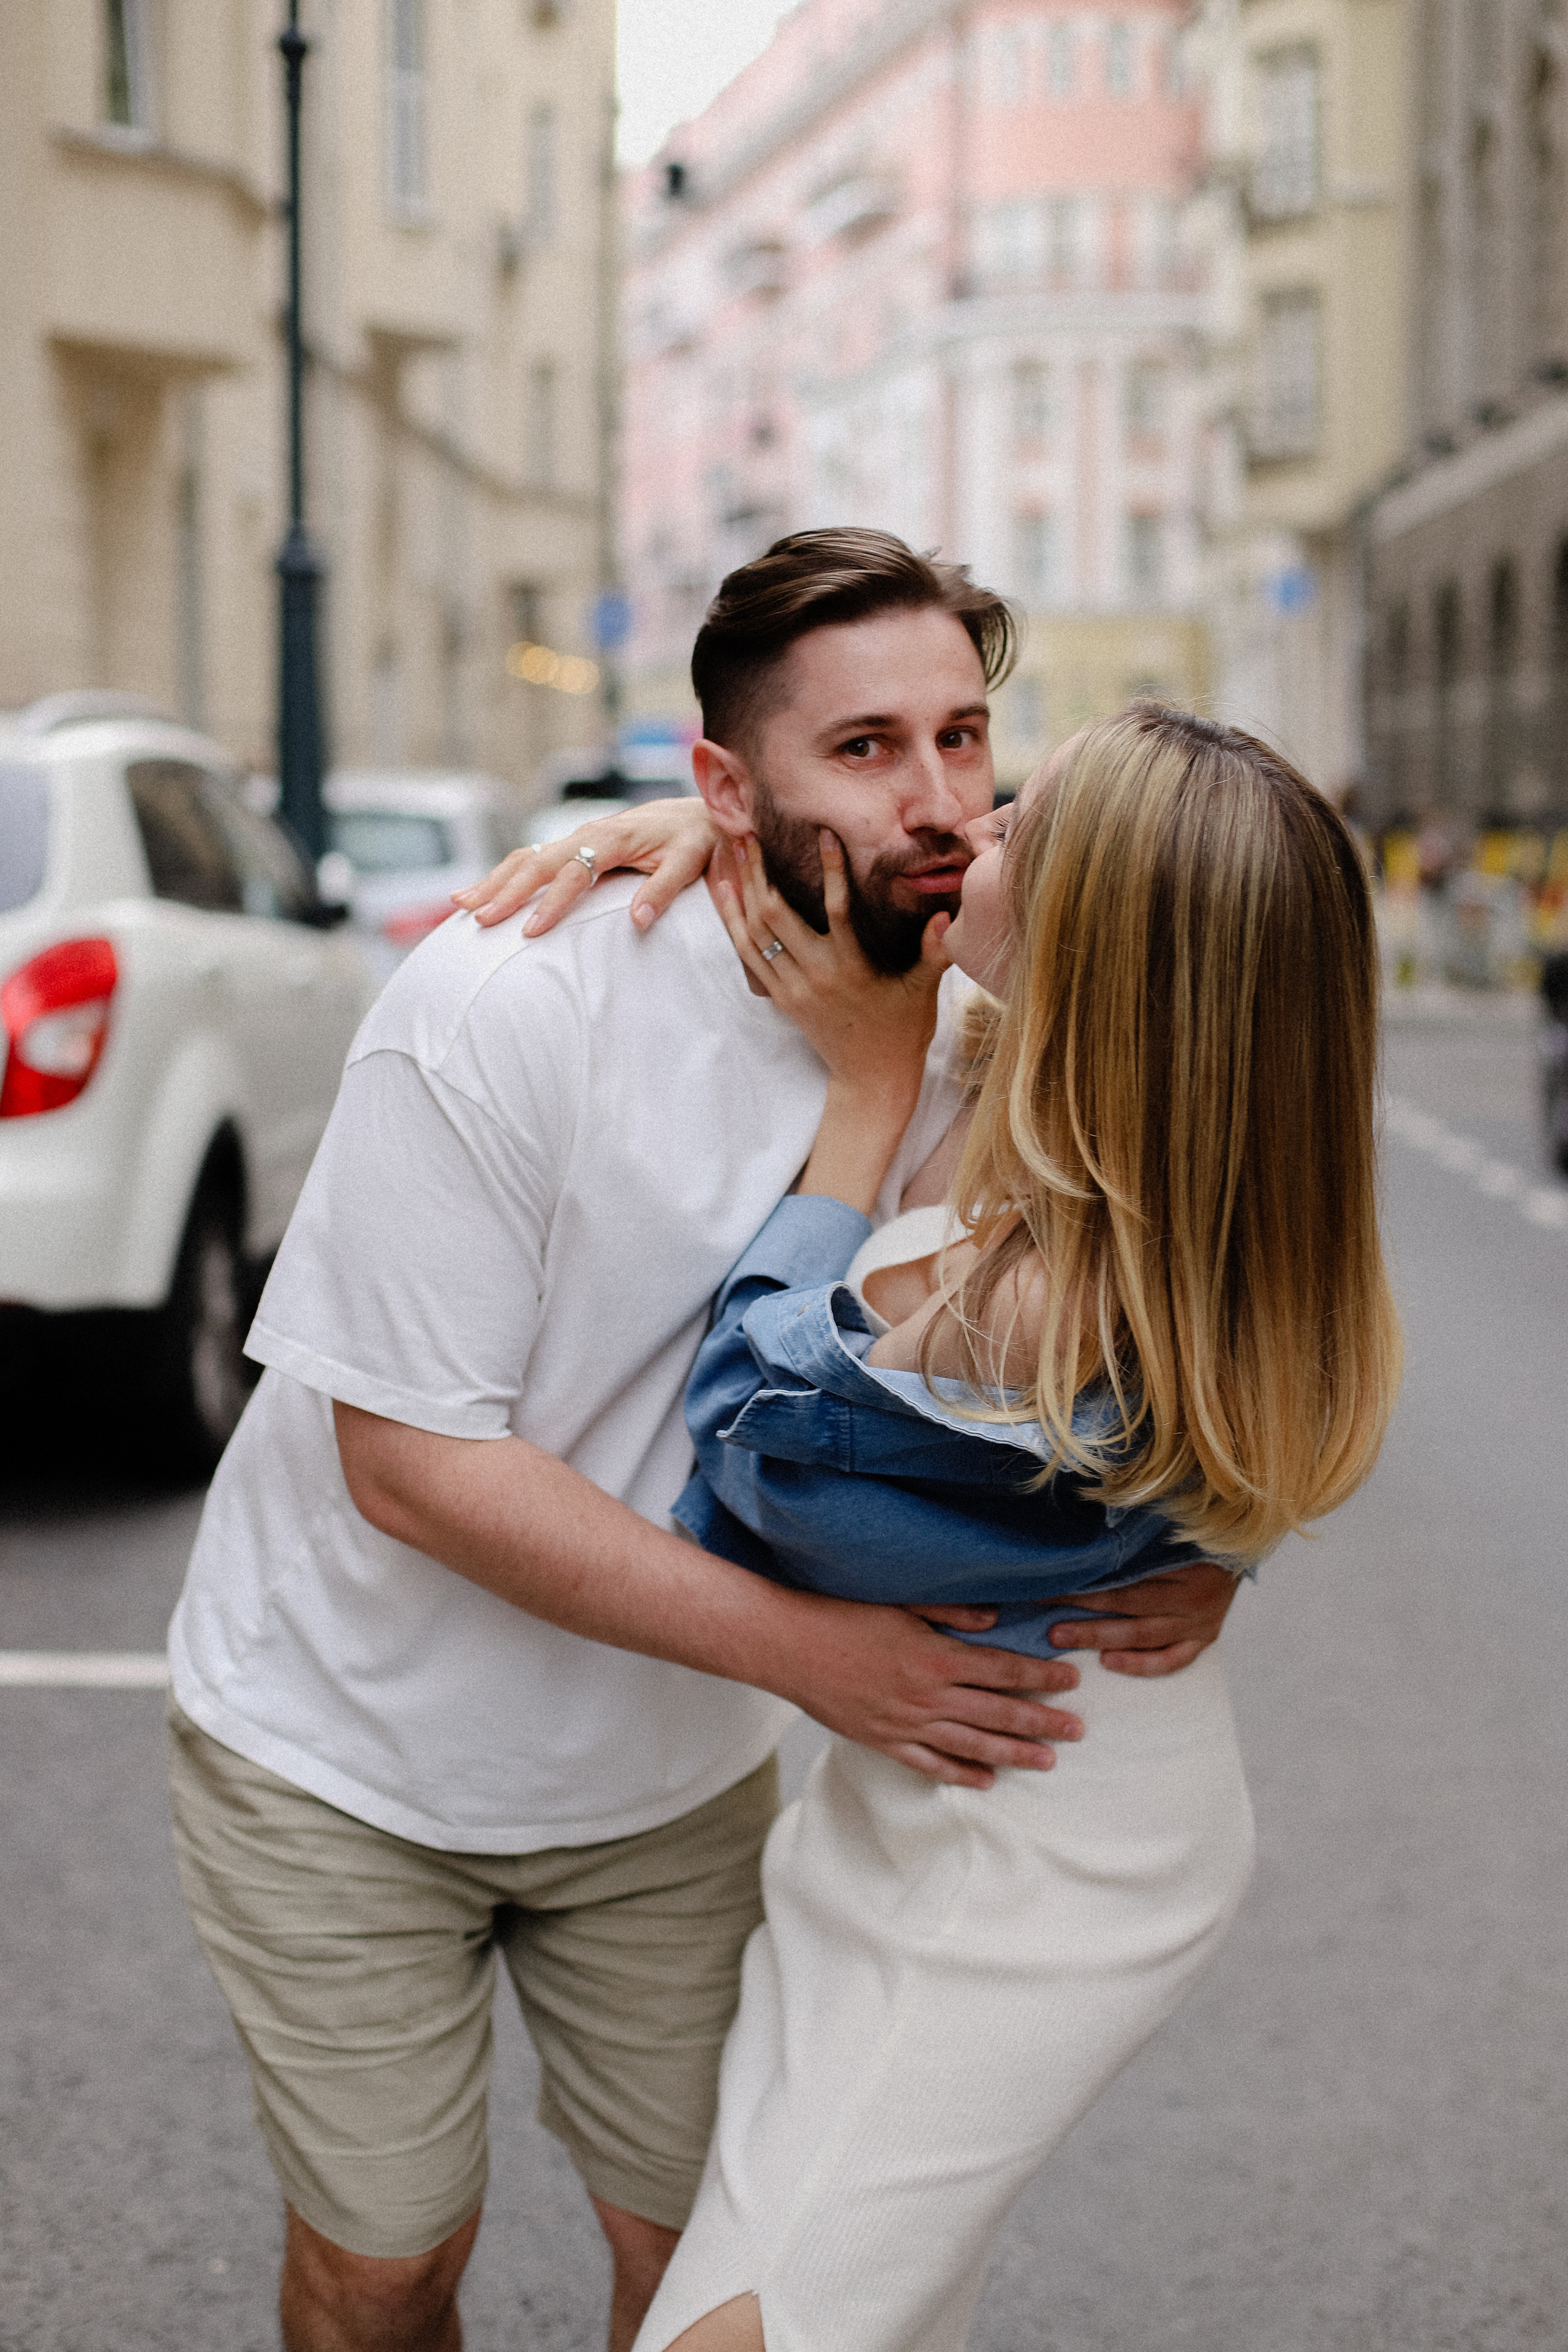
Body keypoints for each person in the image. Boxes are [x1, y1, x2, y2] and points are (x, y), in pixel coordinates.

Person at [165, 532, 1237, 2352]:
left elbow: (1198, 1235)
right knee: (386, 2271)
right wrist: (827, 1660)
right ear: (725, 788)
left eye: (967, 741)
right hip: (348, 1749)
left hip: (665, 1779)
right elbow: (411, 1467)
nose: (943, 805)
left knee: (709, 2279)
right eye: (868, 749)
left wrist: (1199, 1537)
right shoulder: (504, 1005)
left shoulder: (989, 1018)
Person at [607, 706, 1402, 2352]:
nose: (981, 821)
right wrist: (695, 835)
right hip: (912, 1794)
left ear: (1099, 948)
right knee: (871, 2312)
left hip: (1031, 1845)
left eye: (1029, 822)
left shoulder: (1037, 1295)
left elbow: (752, 1437)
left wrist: (860, 1103)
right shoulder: (1026, 1083)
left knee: (758, 2318)